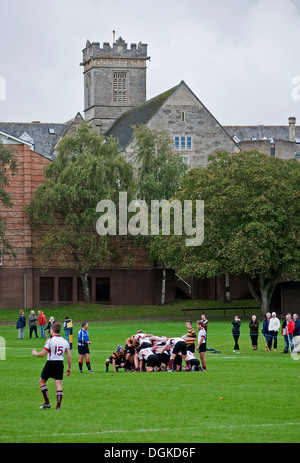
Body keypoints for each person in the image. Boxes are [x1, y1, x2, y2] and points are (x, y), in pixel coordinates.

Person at [32, 322, 72, 410]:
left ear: (52, 330)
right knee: (58, 384)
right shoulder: (65, 341)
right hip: (59, 364)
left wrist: (35, 354)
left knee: (42, 382)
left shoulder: (50, 341)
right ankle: (58, 406)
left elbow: (42, 354)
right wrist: (69, 368)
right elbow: (69, 355)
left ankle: (47, 402)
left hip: (50, 363)